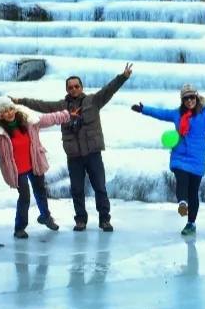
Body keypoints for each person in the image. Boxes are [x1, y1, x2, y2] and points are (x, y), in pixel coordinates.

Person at [14, 65, 133, 233]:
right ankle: (80, 220)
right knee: (76, 189)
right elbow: (42, 105)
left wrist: (123, 76)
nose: (74, 89)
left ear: (82, 87)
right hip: (74, 155)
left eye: (77, 86)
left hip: (93, 153)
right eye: (70, 87)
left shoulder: (94, 100)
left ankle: (104, 219)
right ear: (67, 89)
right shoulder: (62, 106)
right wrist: (21, 101)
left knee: (99, 187)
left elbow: (109, 89)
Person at [131, 83, 205, 235]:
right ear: (182, 100)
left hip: (197, 159)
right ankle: (182, 202)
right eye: (186, 98)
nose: (189, 101)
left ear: (196, 97)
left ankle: (191, 224)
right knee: (182, 179)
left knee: (193, 191)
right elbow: (161, 113)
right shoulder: (177, 114)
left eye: (192, 97)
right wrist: (144, 110)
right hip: (179, 156)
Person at [0, 97, 70, 238]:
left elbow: (48, 118)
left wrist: (67, 114)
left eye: (10, 109)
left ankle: (46, 217)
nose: (9, 113)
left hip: (34, 162)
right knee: (25, 197)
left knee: (40, 191)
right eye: (4, 112)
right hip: (17, 169)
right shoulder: (0, 134)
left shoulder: (29, 123)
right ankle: (19, 227)